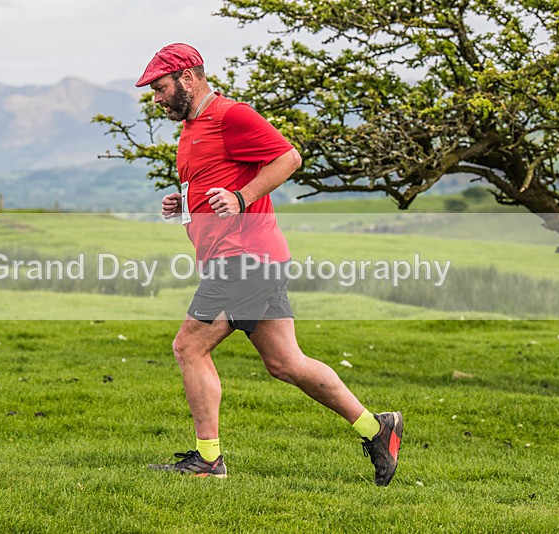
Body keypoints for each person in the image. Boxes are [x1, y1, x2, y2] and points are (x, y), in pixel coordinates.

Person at [136, 43, 403, 486]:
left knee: (189, 347)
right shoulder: (191, 130)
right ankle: (378, 429)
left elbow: (289, 158)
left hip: (244, 259)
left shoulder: (231, 115)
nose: (157, 98)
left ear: (187, 77)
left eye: (160, 88)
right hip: (250, 259)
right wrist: (181, 201)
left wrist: (242, 197)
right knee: (285, 363)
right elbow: (214, 183)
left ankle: (208, 460)